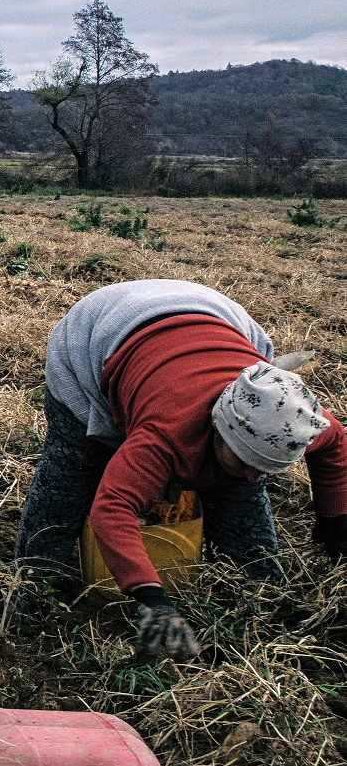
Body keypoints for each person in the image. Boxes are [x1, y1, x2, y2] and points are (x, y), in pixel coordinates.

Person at [17, 279, 346, 658]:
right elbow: (112, 509)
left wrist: (335, 522)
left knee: (241, 502)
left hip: (215, 317)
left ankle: (261, 605)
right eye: (245, 461)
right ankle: (37, 583)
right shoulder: (166, 435)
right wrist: (152, 600)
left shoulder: (288, 418)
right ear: (219, 430)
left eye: (264, 468)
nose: (254, 475)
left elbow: (336, 446)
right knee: (73, 473)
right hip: (100, 334)